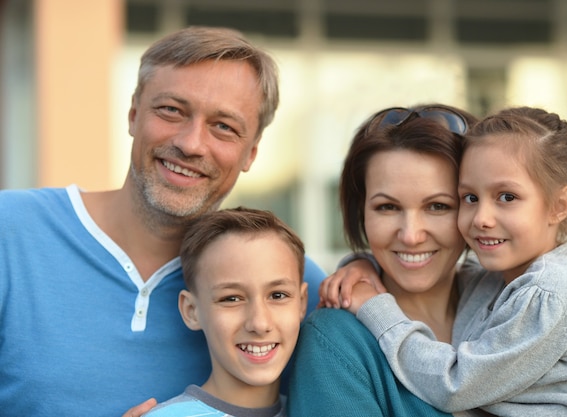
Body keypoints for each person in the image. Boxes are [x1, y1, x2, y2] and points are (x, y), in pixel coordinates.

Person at [0, 26, 326, 417]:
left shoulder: (289, 281)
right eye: (172, 110)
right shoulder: (10, 230)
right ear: (134, 115)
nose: (191, 144)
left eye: (223, 126)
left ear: (250, 153)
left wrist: (367, 273)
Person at [335, 106, 567, 416]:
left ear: (559, 205)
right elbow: (453, 273)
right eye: (470, 198)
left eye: (507, 197)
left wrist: (376, 307)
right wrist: (363, 265)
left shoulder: (551, 293)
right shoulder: (497, 281)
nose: (482, 219)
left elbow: (454, 385)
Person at [287, 104, 477, 416]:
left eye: (438, 206)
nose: (411, 235)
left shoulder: (516, 307)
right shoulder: (335, 341)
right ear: (360, 212)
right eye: (388, 207)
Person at [141, 207, 307, 417]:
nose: (259, 323)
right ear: (191, 311)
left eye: (278, 295)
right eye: (231, 299)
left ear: (302, 303)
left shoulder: (321, 409)